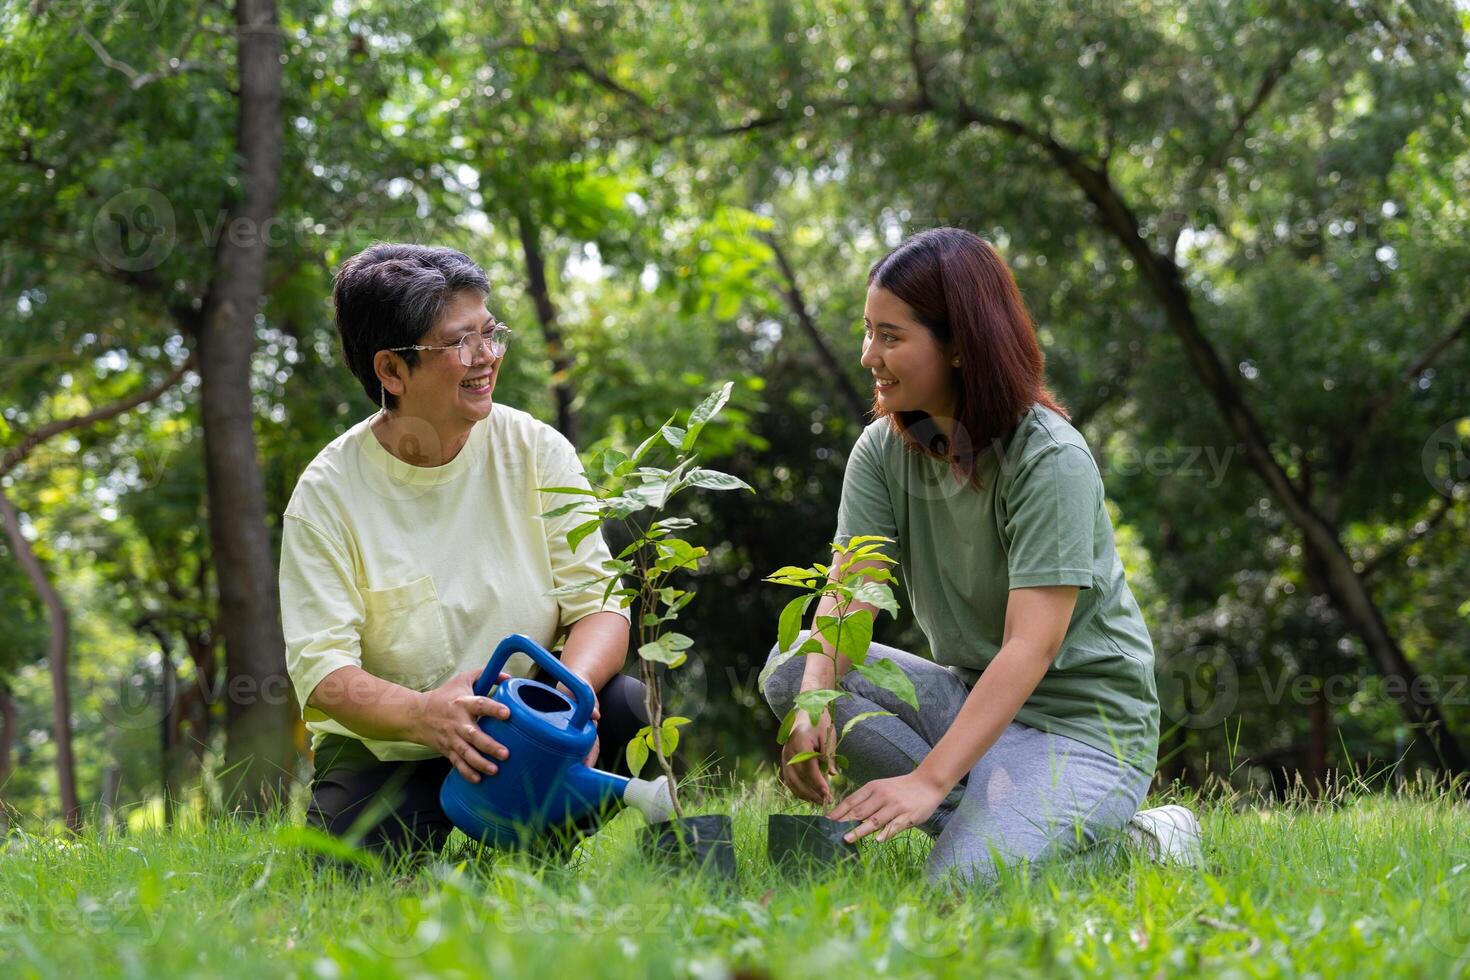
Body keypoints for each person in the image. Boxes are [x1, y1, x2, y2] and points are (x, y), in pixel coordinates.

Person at [762, 227, 1198, 887]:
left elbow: (1030, 646)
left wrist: (928, 780)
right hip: (974, 701)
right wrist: (815, 699)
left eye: (891, 337)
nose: (867, 355)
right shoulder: (881, 452)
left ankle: (1146, 838)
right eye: (867, 331)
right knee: (795, 671)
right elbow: (850, 595)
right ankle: (999, 816)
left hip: (1086, 731)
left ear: (961, 346)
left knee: (960, 888)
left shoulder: (1050, 459)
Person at [280, 243, 645, 863]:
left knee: (629, 707)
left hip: (529, 728)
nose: (487, 357)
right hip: (395, 745)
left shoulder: (536, 450)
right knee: (345, 868)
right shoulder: (326, 496)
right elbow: (324, 676)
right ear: (391, 372)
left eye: (490, 333)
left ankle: (537, 844)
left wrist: (569, 703)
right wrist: (426, 716)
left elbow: (601, 606)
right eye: (460, 343)